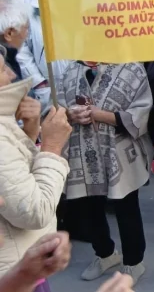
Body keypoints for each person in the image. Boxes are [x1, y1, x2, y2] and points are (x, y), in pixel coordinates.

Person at [59, 61, 153, 286]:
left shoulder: (131, 67)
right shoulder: (72, 69)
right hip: (81, 151)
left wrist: (100, 115)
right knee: (87, 206)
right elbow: (57, 104)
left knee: (126, 205)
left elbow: (141, 112)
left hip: (118, 151)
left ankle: (133, 261)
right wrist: (69, 114)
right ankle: (105, 254)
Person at [0, 49, 72, 280]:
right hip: (15, 273)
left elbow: (12, 175)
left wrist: (29, 133)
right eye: (2, 69)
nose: (11, 74)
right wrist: (52, 147)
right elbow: (33, 211)